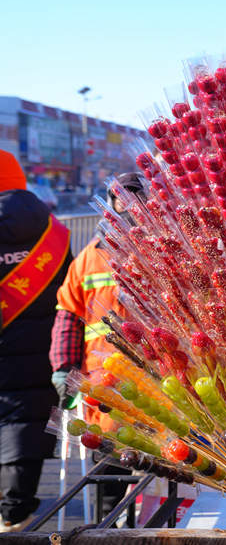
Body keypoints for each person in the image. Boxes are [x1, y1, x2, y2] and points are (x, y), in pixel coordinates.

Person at [49, 172, 148, 521]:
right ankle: (108, 526)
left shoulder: (160, 251)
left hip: (157, 380)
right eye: (122, 198)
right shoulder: (89, 259)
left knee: (161, 466)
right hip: (105, 384)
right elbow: (68, 316)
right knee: (109, 464)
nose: (129, 205)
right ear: (110, 203)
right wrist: (63, 368)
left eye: (136, 197)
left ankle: (138, 524)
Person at [0, 150, 72, 531]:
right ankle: (16, 513)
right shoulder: (53, 229)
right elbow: (71, 296)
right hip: (45, 356)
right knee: (29, 429)